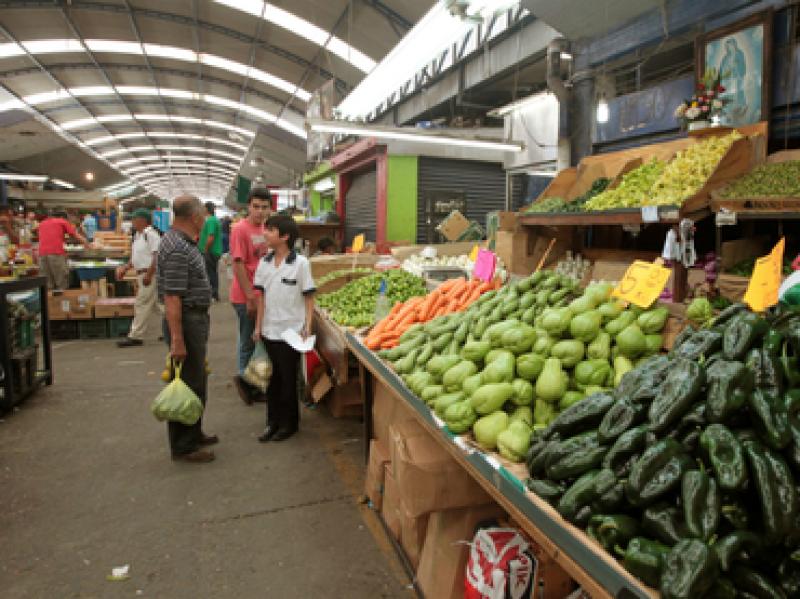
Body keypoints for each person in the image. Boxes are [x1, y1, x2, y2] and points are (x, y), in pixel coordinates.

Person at [157, 195, 218, 463]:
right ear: (194, 218)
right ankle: (184, 446)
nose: (205, 221)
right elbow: (172, 297)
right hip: (186, 320)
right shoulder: (177, 248)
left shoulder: (179, 242)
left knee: (196, 379)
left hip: (194, 318)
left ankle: (194, 432)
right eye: (203, 216)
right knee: (188, 383)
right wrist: (177, 340)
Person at [253, 215, 316, 442]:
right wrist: (257, 327)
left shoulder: (301, 264)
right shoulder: (264, 263)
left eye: (270, 230)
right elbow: (261, 298)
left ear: (285, 236)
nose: (265, 233)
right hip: (270, 329)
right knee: (272, 380)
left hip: (292, 332)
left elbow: (309, 298)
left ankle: (290, 424)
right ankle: (272, 422)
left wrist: (307, 327)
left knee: (289, 379)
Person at [230, 188, 271, 404]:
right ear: (248, 207)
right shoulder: (240, 229)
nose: (260, 211)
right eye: (256, 207)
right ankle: (246, 384)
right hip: (245, 295)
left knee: (257, 338)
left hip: (261, 294)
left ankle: (253, 381)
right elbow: (238, 264)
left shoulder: (267, 229)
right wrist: (249, 297)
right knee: (248, 339)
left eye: (264, 207)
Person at [116, 209, 162, 347]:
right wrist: (126, 267)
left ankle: (135, 335)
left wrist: (149, 274)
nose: (132, 222)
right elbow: (136, 257)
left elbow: (157, 256)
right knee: (156, 306)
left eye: (134, 220)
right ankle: (174, 329)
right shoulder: (137, 236)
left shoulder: (151, 235)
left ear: (142, 220)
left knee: (141, 303)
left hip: (149, 274)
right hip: (142, 273)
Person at [38, 210, 89, 289]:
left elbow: (50, 237)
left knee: (47, 284)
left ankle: (49, 300)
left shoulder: (42, 223)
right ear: (62, 217)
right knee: (61, 282)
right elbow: (74, 235)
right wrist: (87, 243)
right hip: (55, 254)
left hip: (42, 255)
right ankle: (62, 300)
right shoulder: (62, 221)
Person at [198, 201, 222, 302]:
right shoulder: (212, 220)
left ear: (207, 209)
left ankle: (213, 294)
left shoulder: (211, 220)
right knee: (212, 272)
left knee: (210, 273)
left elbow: (211, 237)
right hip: (213, 251)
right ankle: (213, 294)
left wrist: (205, 250)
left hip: (210, 251)